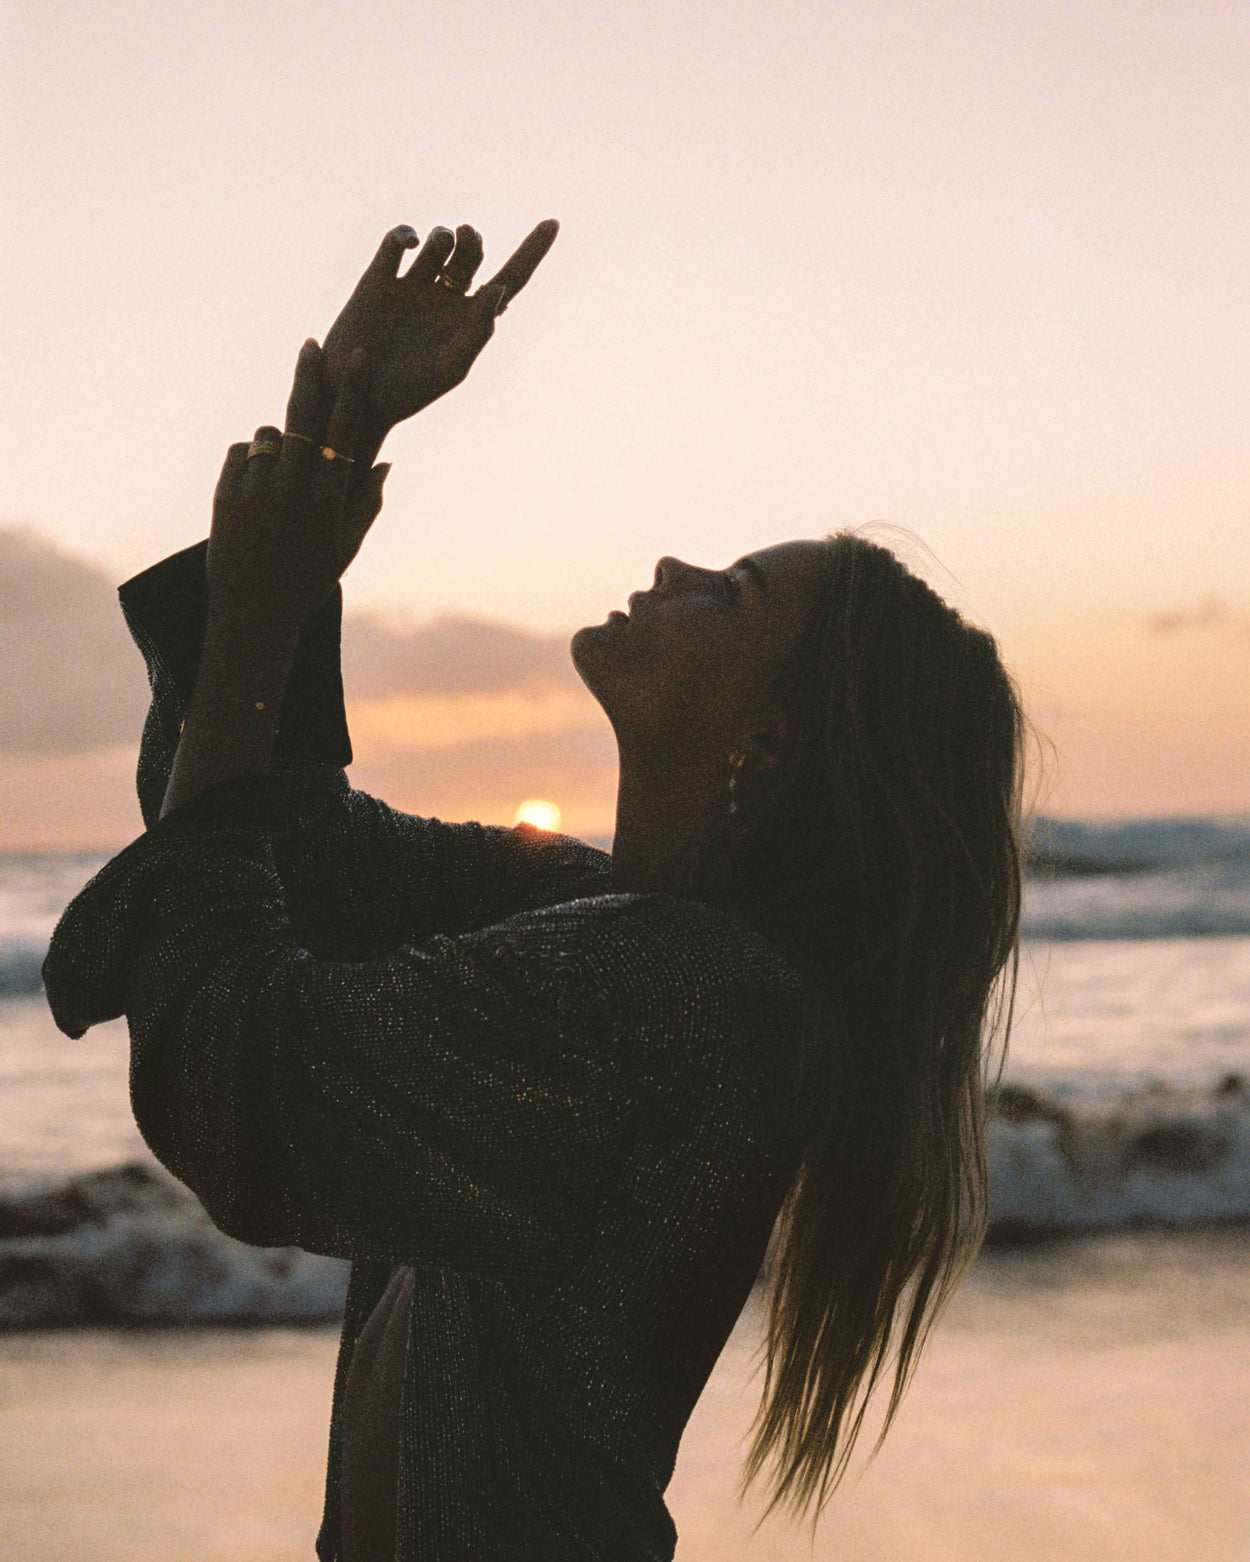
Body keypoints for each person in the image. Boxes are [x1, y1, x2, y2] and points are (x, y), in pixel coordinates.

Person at [43, 219, 1026, 1562]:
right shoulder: (570, 908)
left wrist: (266, 620)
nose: (678, 568)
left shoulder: (706, 997)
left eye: (732, 593)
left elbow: (244, 1077)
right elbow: (298, 862)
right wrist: (330, 438)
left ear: (768, 744)